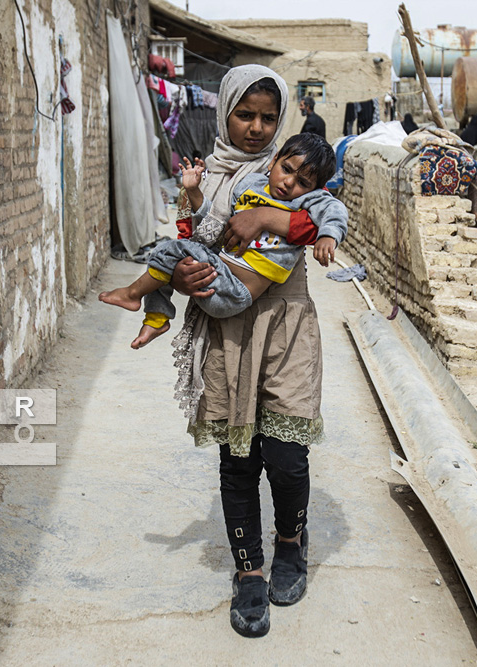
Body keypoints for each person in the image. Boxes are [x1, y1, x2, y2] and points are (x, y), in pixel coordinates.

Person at [164, 64, 328, 639]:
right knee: (238, 462)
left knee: (285, 457)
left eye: (267, 117)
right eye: (245, 114)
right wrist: (183, 274)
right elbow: (188, 244)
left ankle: (289, 544)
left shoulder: (292, 175)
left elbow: (321, 219)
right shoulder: (206, 178)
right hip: (225, 333)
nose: (256, 128)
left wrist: (262, 215)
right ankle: (250, 571)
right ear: (225, 112)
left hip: (283, 334)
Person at [97, 133, 347, 349]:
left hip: (237, 293)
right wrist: (194, 192)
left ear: (314, 188)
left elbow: (335, 212)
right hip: (217, 277)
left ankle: (132, 293)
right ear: (275, 160)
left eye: (302, 182)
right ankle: (155, 318)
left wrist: (328, 235)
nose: (289, 182)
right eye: (287, 169)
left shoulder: (308, 201)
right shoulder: (250, 186)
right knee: (168, 257)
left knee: (170, 250)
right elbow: (216, 224)